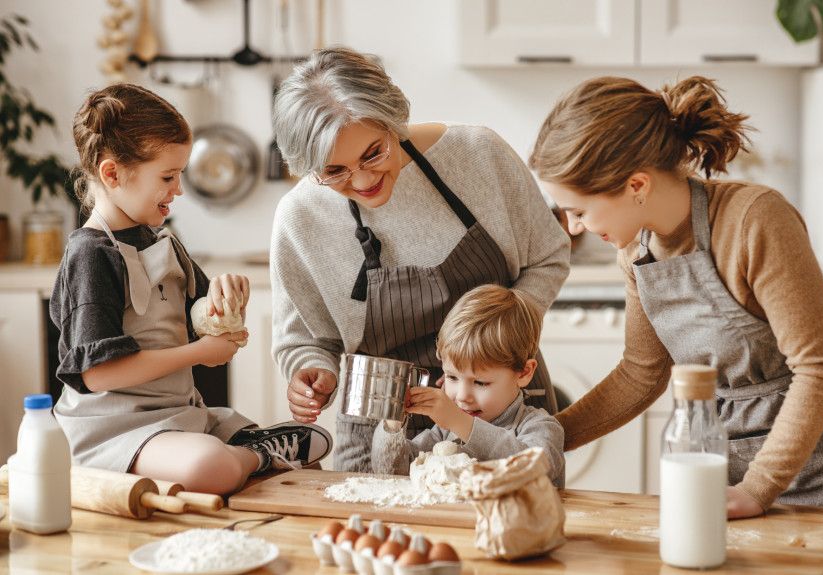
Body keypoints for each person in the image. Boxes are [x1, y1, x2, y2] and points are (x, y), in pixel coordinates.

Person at [528, 75, 823, 573]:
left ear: (636, 185)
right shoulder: (637, 252)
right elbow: (641, 373)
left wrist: (759, 488)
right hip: (734, 475)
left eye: (578, 211)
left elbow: (819, 370)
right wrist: (538, 442)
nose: (573, 228)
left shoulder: (754, 221)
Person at [271, 46, 570, 472]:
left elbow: (548, 257)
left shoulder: (478, 156)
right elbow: (303, 338)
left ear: (393, 120)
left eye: (373, 152)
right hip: (381, 426)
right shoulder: (300, 218)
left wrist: (497, 340)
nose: (362, 180)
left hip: (501, 413)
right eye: (334, 172)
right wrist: (312, 372)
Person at [51, 83, 331, 495]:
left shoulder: (164, 243)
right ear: (112, 174)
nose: (178, 189)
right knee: (210, 467)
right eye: (167, 176)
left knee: (322, 440)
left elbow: (204, 314)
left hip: (178, 417)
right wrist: (201, 353)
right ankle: (259, 454)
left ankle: (247, 451)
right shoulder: (90, 255)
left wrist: (226, 291)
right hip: (113, 432)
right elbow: (97, 374)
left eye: (179, 174)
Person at [370, 284, 565, 487]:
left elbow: (533, 469)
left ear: (524, 373)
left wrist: (461, 422)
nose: (462, 396)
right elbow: (391, 472)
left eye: (480, 382)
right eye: (452, 378)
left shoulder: (540, 427)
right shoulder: (444, 433)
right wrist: (392, 423)